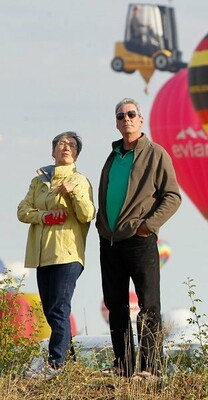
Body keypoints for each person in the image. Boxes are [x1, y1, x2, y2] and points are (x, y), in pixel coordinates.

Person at [96, 98, 181, 377]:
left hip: (139, 240)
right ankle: (123, 366)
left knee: (148, 305)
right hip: (109, 242)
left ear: (141, 119)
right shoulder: (113, 156)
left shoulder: (156, 153)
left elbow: (172, 196)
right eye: (121, 116)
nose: (126, 119)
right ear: (116, 122)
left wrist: (148, 226)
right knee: (116, 307)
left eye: (131, 114)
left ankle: (150, 368)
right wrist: (101, 225)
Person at [17, 131, 96, 375]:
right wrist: (45, 216)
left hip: (67, 253)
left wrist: (72, 192)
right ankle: (69, 363)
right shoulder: (38, 180)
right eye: (61, 143)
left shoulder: (80, 180)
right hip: (41, 255)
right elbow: (22, 211)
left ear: (77, 154)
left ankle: (55, 364)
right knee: (51, 309)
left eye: (72, 145)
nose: (66, 147)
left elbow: (87, 214)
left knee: (60, 308)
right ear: (52, 151)